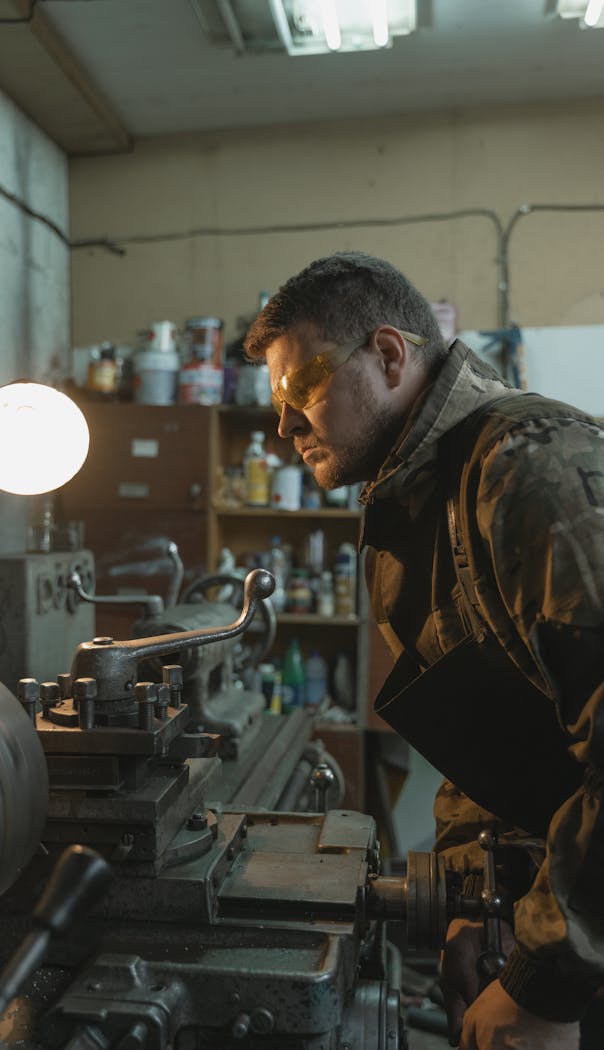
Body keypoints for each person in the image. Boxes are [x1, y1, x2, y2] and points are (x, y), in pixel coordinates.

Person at [243, 251, 604, 1050]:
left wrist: (548, 988)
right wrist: (473, 902)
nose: (284, 425)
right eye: (277, 402)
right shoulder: (408, 515)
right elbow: (488, 739)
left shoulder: (532, 468)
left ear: (389, 355)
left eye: (301, 388)